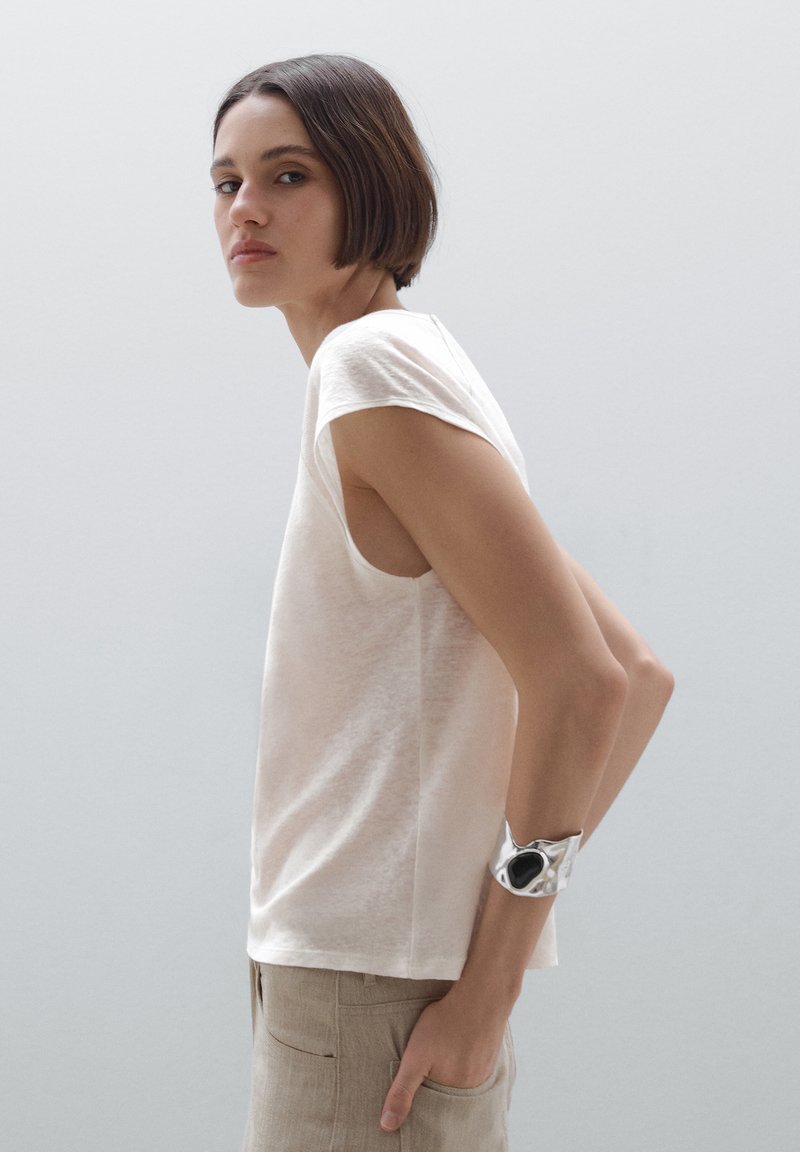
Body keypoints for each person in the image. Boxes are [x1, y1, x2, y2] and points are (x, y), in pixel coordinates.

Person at [211, 53, 674, 1152]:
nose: (245, 208)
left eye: (287, 175)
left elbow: (587, 681)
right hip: (371, 977)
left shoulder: (371, 369)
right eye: (226, 181)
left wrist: (488, 983)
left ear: (371, 185)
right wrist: (481, 951)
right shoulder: (411, 363)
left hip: (365, 989)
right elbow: (634, 672)